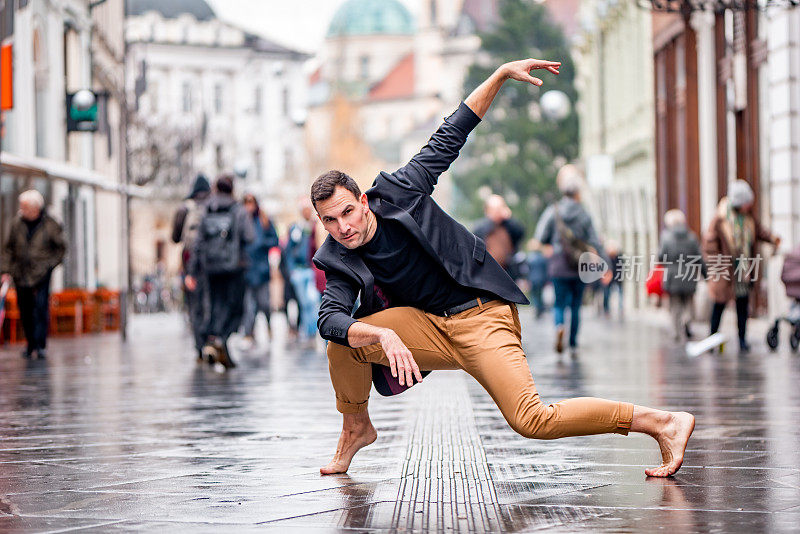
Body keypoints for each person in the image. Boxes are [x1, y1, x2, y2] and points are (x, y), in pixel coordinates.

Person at [311, 58, 694, 478]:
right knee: (342, 341)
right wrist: (382, 332)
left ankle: (662, 423)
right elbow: (330, 318)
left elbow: (452, 132)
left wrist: (497, 77)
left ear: (363, 200)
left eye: (347, 211)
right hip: (424, 326)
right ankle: (356, 427)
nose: (343, 227)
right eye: (330, 220)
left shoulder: (400, 191)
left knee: (532, 420)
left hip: (481, 316)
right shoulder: (338, 255)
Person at [534, 164, 609, 355]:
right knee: (576, 305)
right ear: (578, 193)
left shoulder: (553, 211)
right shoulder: (583, 213)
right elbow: (595, 240)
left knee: (559, 303)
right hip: (579, 264)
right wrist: (606, 266)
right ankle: (573, 342)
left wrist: (552, 243)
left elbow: (541, 236)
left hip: (559, 264)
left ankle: (559, 326)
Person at [185, 174, 254, 369]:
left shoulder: (207, 209)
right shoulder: (238, 209)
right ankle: (221, 338)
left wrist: (192, 271)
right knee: (235, 307)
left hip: (211, 268)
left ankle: (213, 340)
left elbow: (198, 243)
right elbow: (250, 236)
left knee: (214, 305)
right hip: (234, 267)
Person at [703, 180, 780, 353]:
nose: (749, 205)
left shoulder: (749, 218)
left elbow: (760, 232)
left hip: (743, 269)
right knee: (719, 305)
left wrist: (773, 238)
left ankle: (742, 340)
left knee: (742, 305)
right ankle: (712, 339)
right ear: (739, 202)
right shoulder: (720, 218)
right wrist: (717, 264)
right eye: (746, 202)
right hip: (725, 270)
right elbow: (709, 246)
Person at [1, 190, 67, 360]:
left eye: (25, 207)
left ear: (35, 208)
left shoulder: (50, 224)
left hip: (41, 274)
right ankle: (30, 343)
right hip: (20, 273)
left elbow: (60, 248)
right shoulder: (17, 224)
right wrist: (6, 270)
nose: (21, 210)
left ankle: (40, 344)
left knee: (40, 307)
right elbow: (8, 248)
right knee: (25, 309)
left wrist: (49, 266)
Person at [172, 173, 211, 361]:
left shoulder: (184, 209)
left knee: (194, 304)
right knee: (210, 301)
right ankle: (211, 338)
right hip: (211, 262)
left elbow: (175, 237)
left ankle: (199, 347)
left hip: (190, 262)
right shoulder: (213, 206)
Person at [658, 210, 706, 342]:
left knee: (675, 306)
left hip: (673, 276)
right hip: (689, 275)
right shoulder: (691, 237)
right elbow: (699, 258)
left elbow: (661, 256)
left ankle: (676, 332)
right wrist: (705, 274)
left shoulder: (666, 237)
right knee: (689, 303)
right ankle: (687, 319)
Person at [241, 193, 279, 349]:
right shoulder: (242, 221)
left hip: (262, 269)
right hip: (247, 270)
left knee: (264, 303)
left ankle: (269, 326)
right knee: (249, 305)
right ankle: (249, 332)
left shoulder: (264, 220)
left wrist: (261, 243)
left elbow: (274, 240)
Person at [284, 198, 321, 340]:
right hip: (299, 270)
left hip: (311, 269)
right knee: (304, 303)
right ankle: (308, 331)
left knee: (312, 302)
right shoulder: (296, 228)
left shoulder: (315, 226)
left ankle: (312, 331)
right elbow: (288, 251)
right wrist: (291, 270)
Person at [473, 194, 526, 280]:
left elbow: (520, 233)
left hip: (508, 272)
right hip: (487, 272)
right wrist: (493, 220)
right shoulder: (481, 227)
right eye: (496, 209)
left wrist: (508, 218)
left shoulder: (508, 225)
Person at [526, 239, 549, 318]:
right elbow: (546, 270)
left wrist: (526, 279)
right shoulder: (542, 257)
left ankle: (537, 308)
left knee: (534, 295)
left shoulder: (529, 257)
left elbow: (526, 270)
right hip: (541, 279)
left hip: (532, 279)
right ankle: (540, 309)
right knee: (540, 295)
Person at [603, 239, 624, 318]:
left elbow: (621, 267)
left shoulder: (619, 257)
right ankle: (606, 309)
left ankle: (621, 309)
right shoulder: (606, 257)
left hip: (618, 277)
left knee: (620, 293)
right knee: (607, 294)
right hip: (609, 278)